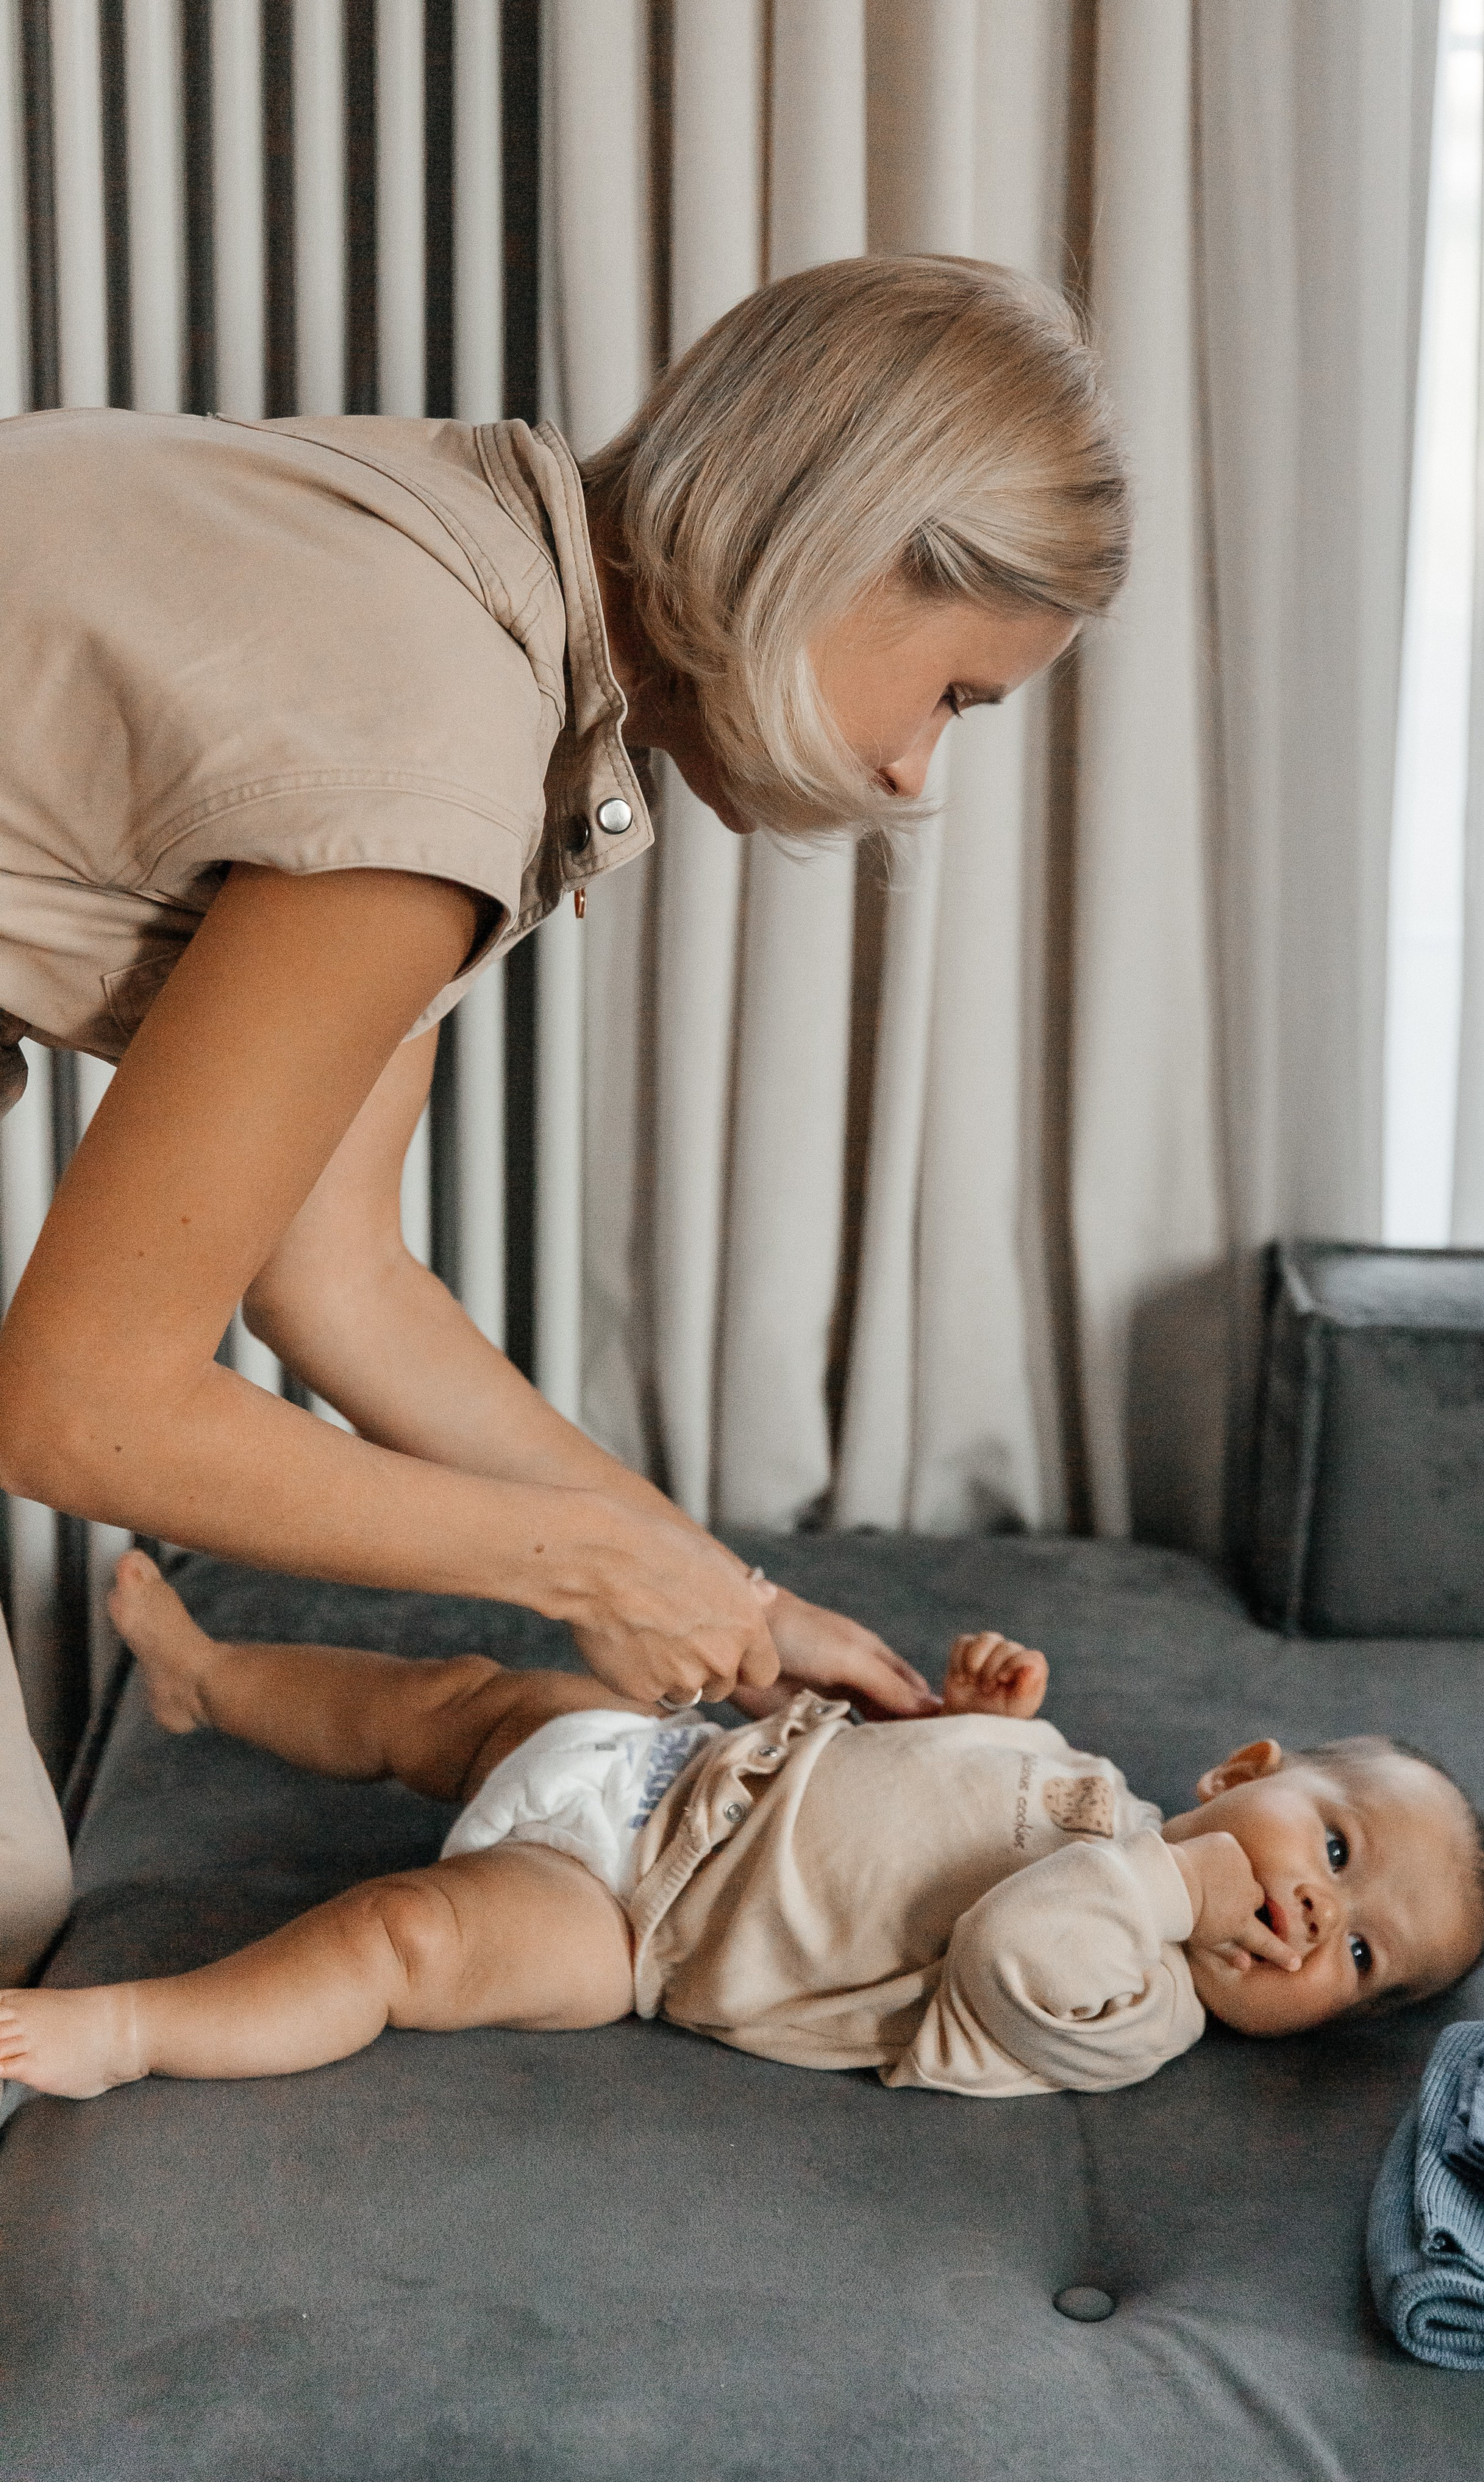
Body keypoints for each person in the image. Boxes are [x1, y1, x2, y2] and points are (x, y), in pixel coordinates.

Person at [0, 256, 1130, 1983]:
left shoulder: (477, 592)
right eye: (956, 695)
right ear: (837, 542)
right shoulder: (433, 747)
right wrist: (583, 1568)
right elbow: (81, 1411)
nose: (915, 775)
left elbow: (338, 1278)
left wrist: (725, 1602)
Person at [0, 1552, 1484, 2101]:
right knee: (444, 1705)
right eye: (1337, 1854)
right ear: (1244, 1772)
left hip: (634, 1928)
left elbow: (1006, 1945)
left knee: (403, 1940)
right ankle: (212, 1681)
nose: (1310, 1918)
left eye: (1359, 1956)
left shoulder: (1135, 2005)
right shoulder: (1093, 1792)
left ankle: (136, 2029)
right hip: (677, 1766)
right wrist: (956, 1718)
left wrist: (1184, 1884)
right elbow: (914, 1809)